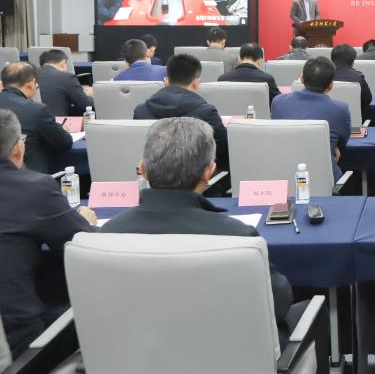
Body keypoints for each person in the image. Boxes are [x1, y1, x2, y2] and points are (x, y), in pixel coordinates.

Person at [100, 118, 325, 364]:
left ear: (142, 169)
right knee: (310, 310)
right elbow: (277, 304)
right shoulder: (237, 237)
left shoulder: (105, 237)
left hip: (136, 360)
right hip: (227, 360)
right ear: (209, 171)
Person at [0, 109, 97, 356]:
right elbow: (89, 248)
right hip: (19, 348)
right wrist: (82, 220)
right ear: (17, 150)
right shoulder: (33, 189)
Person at [132, 54, 228, 183]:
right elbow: (224, 153)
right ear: (196, 82)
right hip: (194, 184)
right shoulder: (206, 112)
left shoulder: (141, 111)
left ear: (166, 81)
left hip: (153, 182)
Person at [0, 62, 72, 174]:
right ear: (31, 83)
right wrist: (62, 130)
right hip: (28, 178)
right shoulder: (37, 110)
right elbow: (65, 143)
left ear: (3, 83)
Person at [271, 57, 349, 171]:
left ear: (302, 79)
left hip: (283, 170)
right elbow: (343, 142)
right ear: (331, 85)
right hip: (324, 173)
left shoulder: (278, 102)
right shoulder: (340, 108)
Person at [36, 49, 93, 117]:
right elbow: (86, 104)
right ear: (63, 63)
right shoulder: (67, 77)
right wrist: (89, 94)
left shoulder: (30, 74)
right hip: (56, 121)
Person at [330, 44, 372, 120]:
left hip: (329, 122)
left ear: (332, 59)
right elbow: (367, 100)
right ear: (353, 61)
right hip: (355, 124)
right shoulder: (358, 77)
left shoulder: (324, 76)